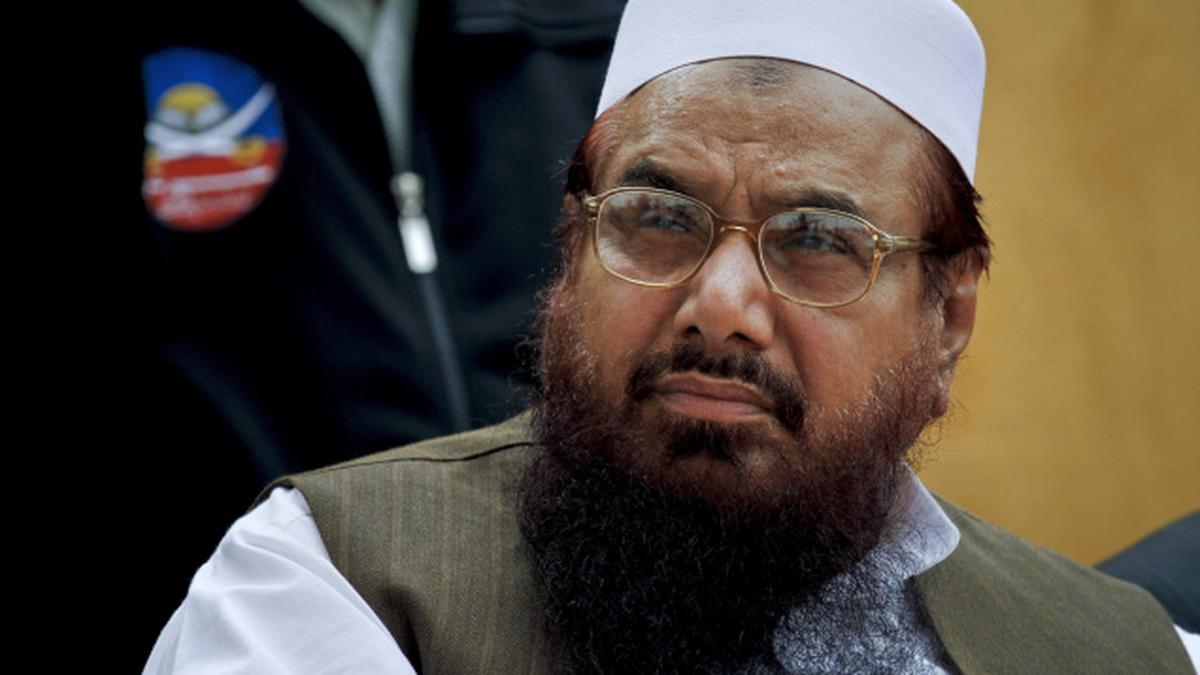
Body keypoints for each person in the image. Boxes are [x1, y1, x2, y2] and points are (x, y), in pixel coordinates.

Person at [145, 0, 1200, 672]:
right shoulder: (326, 580)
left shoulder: (1123, 649)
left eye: (818, 240)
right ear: (572, 248)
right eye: (658, 217)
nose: (721, 304)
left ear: (948, 317)